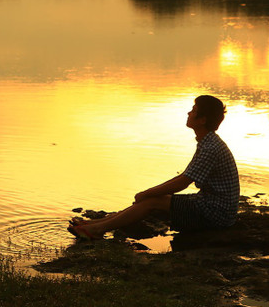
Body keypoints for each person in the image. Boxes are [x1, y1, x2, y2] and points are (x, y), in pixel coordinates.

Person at [68, 95, 239, 240]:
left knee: (151, 201)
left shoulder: (210, 147)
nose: (189, 113)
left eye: (193, 110)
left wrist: (147, 193)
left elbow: (182, 183)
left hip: (216, 213)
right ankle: (96, 224)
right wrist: (149, 193)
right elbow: (184, 176)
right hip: (210, 204)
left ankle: (97, 230)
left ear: (202, 120)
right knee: (152, 198)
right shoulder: (208, 142)